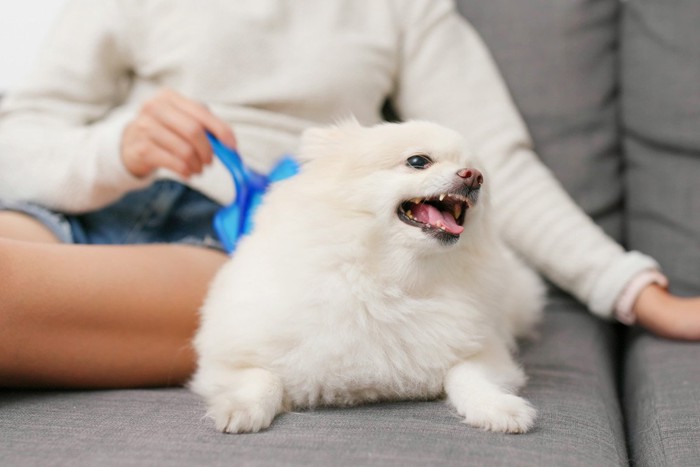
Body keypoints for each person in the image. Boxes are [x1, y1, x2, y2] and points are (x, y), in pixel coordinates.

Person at [1, 0, 698, 389]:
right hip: (81, 201)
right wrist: (113, 150)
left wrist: (635, 289)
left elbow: (493, 168)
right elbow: (15, 140)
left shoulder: (403, 11)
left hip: (235, 242)